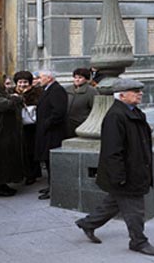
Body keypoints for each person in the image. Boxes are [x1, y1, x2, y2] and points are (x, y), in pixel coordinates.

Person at [75, 78, 154, 257]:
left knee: (113, 203)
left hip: (137, 168)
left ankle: (88, 223)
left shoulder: (135, 112)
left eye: (140, 90)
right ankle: (138, 241)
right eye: (135, 91)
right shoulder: (115, 116)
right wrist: (119, 177)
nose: (140, 93)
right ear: (122, 95)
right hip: (128, 173)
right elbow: (112, 150)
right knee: (135, 210)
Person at [34, 70, 68, 200]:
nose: (38, 79)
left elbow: (58, 112)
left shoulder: (56, 90)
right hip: (47, 131)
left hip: (53, 133)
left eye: (41, 77)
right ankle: (51, 186)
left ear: (49, 78)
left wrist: (46, 124)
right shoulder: (49, 89)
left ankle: (54, 188)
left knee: (51, 161)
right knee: (48, 161)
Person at [14, 70, 42, 184]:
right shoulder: (12, 92)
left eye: (25, 82)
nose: (22, 85)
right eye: (19, 82)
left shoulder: (36, 93)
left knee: (30, 151)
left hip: (31, 126)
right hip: (17, 126)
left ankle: (32, 174)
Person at [66, 68, 98, 137]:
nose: (77, 80)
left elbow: (95, 109)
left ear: (86, 79)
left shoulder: (91, 91)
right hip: (66, 124)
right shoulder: (68, 89)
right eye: (75, 77)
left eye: (80, 77)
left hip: (81, 124)